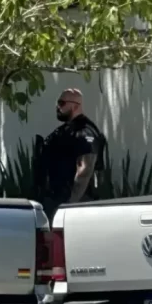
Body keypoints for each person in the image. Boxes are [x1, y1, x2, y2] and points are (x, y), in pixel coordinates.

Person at [32, 88, 107, 221]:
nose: (57, 107)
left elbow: (85, 170)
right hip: (55, 200)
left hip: (74, 205)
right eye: (57, 103)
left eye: (61, 103)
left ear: (75, 105)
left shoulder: (85, 131)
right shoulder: (65, 131)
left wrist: (69, 206)